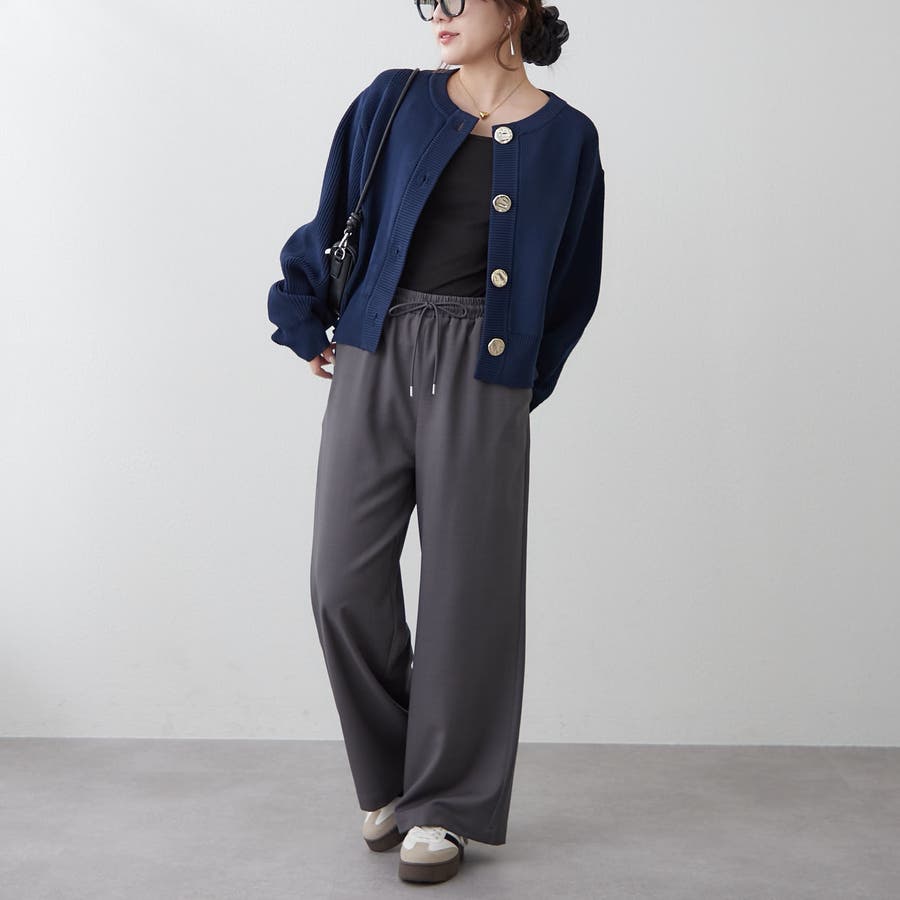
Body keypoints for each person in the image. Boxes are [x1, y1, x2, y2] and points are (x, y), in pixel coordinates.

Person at [267, 0, 604, 885]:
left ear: (516, 8)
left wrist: (517, 383)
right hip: (375, 350)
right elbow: (332, 213)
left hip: (486, 372)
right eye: (431, 1)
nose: (439, 13)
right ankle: (393, 777)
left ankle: (445, 804)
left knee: (470, 593)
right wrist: (306, 315)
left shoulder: (569, 139)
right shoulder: (392, 98)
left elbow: (574, 282)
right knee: (341, 581)